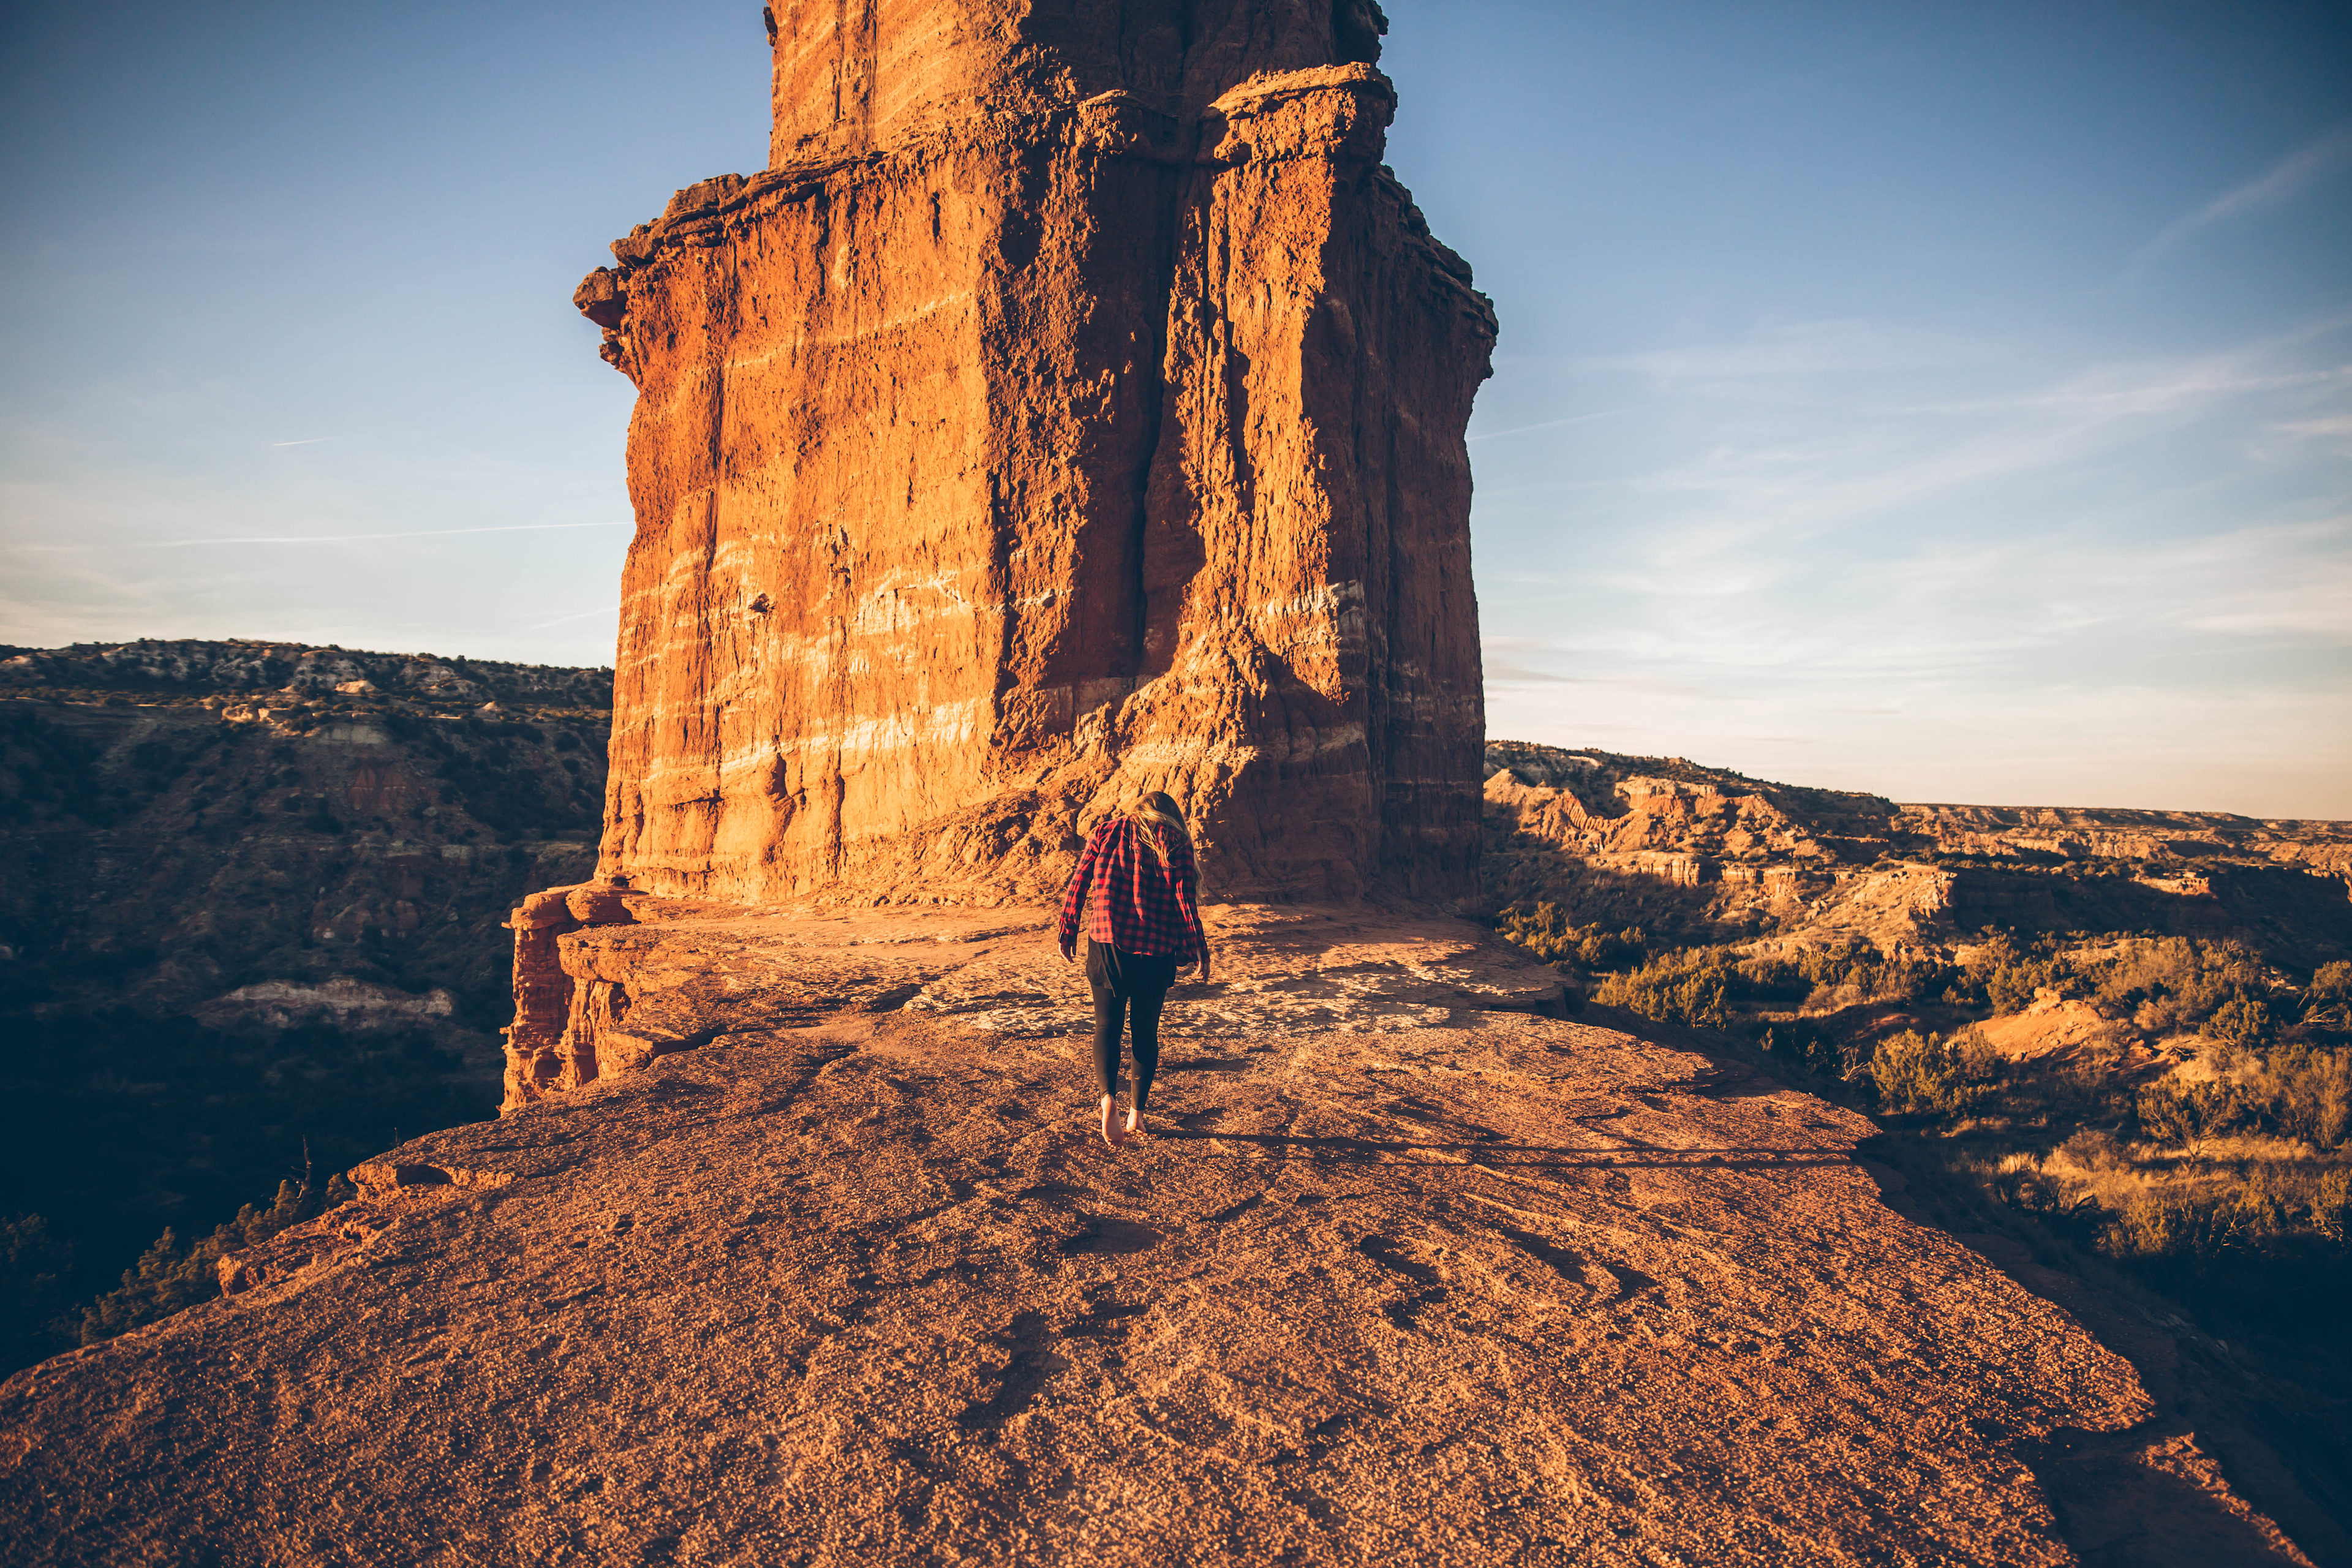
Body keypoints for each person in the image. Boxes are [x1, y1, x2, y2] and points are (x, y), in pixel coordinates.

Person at [1057, 791, 1212, 1148]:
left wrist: (1068, 929)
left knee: (1106, 1025)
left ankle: (1107, 1098)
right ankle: (1137, 1114)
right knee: (1145, 1031)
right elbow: (1183, 901)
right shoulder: (1175, 840)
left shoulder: (1106, 831)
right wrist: (1197, 949)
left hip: (1106, 941)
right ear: (1169, 815)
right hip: (1156, 949)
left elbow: (1079, 883)